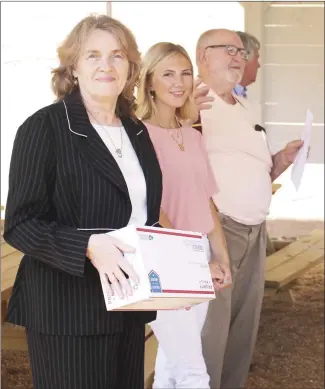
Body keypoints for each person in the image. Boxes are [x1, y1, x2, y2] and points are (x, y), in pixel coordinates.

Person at [3, 15, 164, 389]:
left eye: (117, 55)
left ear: (131, 67)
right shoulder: (44, 128)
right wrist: (89, 246)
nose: (106, 65)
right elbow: (20, 223)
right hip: (67, 309)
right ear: (73, 67)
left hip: (128, 304)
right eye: (92, 55)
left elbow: (142, 216)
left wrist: (174, 278)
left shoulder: (135, 130)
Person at [194, 29, 303, 389]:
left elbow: (255, 168)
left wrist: (282, 160)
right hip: (218, 231)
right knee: (210, 335)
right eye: (228, 50)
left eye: (241, 52)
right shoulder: (193, 103)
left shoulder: (244, 106)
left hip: (255, 230)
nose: (238, 57)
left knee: (242, 332)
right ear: (202, 56)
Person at [136, 42, 232, 388]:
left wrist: (221, 256)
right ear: (149, 82)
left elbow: (205, 202)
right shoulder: (138, 136)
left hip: (199, 256)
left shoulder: (192, 136)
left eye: (185, 73)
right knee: (193, 370)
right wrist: (191, 261)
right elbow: (151, 206)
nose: (179, 82)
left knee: (172, 365)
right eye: (168, 73)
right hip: (164, 260)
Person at [233, 31, 261, 98]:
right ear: (243, 58)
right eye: (256, 58)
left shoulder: (239, 93)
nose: (259, 65)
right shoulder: (218, 97)